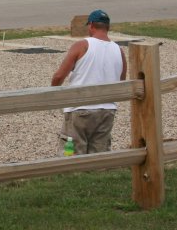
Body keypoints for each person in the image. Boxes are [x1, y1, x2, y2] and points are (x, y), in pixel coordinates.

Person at [50, 9, 126, 154]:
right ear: (108, 27)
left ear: (91, 25)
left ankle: (73, 173)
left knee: (71, 151)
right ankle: (97, 173)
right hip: (107, 110)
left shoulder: (82, 45)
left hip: (80, 108)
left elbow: (59, 76)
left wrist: (53, 92)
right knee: (100, 152)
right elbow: (121, 81)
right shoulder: (119, 50)